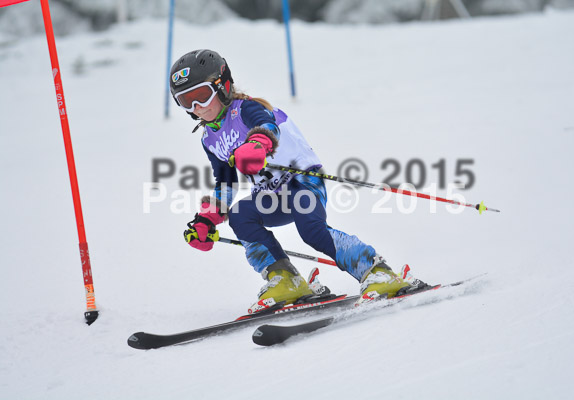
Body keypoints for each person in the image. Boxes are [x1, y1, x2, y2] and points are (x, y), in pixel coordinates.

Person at [171, 49, 425, 312]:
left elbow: (268, 126)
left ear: (222, 86)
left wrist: (257, 144)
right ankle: (284, 278)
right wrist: (208, 218)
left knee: (312, 231)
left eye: (201, 96)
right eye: (185, 101)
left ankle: (377, 272)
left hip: (302, 182)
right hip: (270, 197)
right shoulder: (209, 139)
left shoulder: (247, 109)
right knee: (240, 215)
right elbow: (225, 182)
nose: (196, 108)